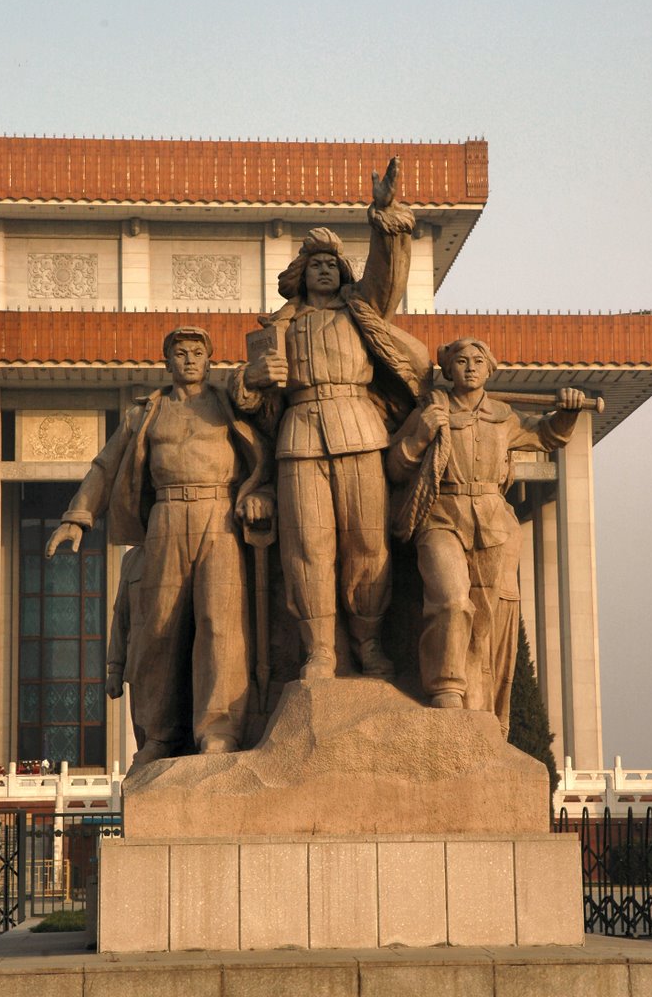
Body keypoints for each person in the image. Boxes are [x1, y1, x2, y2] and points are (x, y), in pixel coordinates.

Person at [232, 157, 425, 681]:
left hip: (360, 431)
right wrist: (251, 378)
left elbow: (386, 278)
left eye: (331, 264)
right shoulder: (277, 328)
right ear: (299, 274)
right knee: (307, 550)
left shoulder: (360, 312)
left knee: (367, 543)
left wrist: (383, 215)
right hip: (299, 440)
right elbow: (245, 400)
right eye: (314, 263)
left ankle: (367, 643)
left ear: (342, 273)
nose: (323, 269)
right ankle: (320, 649)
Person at [46, 327, 274, 766]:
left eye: (198, 353)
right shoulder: (146, 413)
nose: (189, 360)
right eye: (180, 353)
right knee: (159, 629)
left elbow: (264, 453)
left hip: (220, 514)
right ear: (167, 362)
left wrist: (261, 495)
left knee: (219, 622)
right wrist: (78, 516)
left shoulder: (227, 405)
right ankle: (159, 735)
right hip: (166, 517)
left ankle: (219, 729)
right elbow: (106, 464)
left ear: (209, 361)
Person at [387, 337, 585, 717]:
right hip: (441, 516)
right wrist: (420, 436)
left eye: (479, 361)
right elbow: (395, 467)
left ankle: (478, 704)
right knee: (451, 599)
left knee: (485, 618)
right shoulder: (431, 411)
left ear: (490, 369)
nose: (471, 367)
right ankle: (444, 686)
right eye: (461, 361)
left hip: (493, 523)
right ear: (449, 370)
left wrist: (568, 413)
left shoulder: (503, 416)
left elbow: (548, 435)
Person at [105, 544, 146, 752]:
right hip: (138, 660)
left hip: (174, 662)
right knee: (143, 736)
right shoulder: (132, 558)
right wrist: (115, 669)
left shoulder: (179, 548)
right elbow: (121, 615)